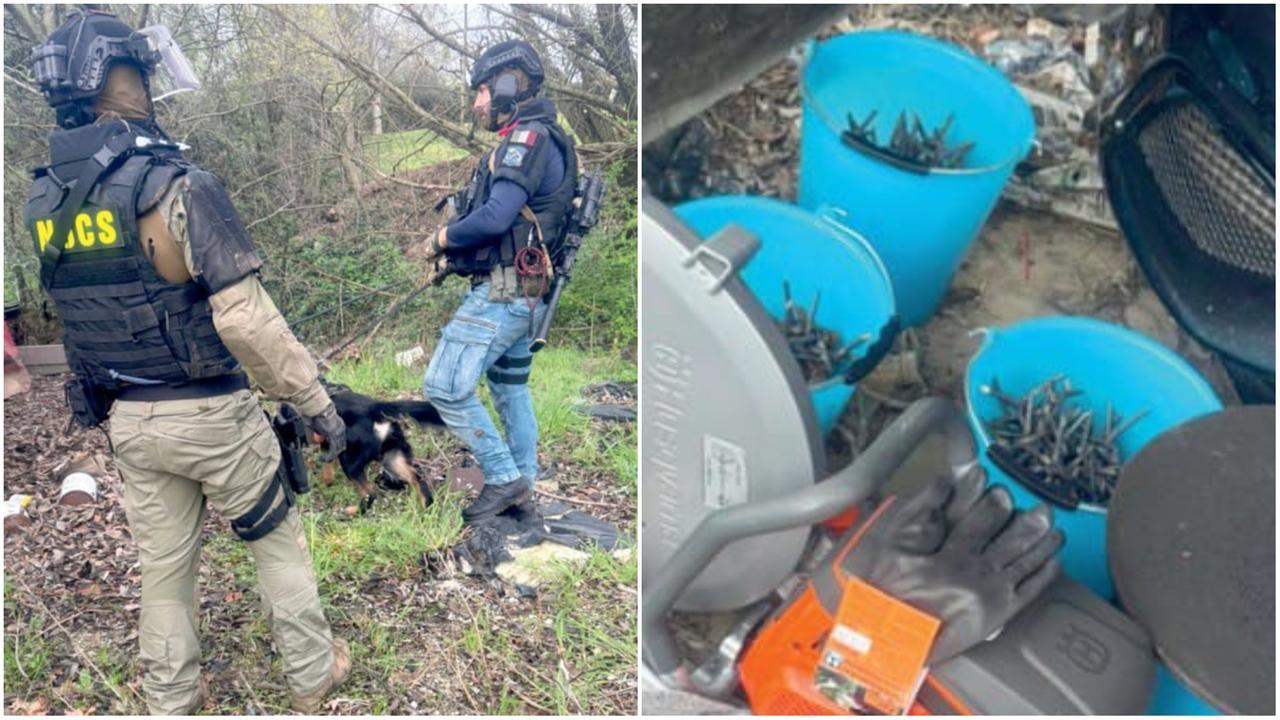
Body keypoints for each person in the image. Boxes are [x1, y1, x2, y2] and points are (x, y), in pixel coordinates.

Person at [23, 10, 349, 714]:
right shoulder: (176, 183)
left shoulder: (44, 198)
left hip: (129, 423)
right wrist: (315, 401)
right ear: (119, 77)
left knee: (164, 571)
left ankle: (171, 696)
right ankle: (313, 672)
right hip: (212, 414)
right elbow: (245, 320)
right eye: (139, 69)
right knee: (275, 540)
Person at [422, 39, 578, 523]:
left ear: (510, 86)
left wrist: (441, 238)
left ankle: (504, 478)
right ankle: (523, 487)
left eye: (482, 91)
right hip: (524, 287)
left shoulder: (526, 140)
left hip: (508, 288)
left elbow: (495, 217)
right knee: (509, 387)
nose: (476, 103)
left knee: (444, 386)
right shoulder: (543, 137)